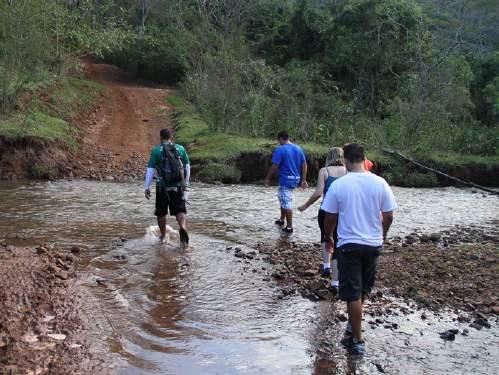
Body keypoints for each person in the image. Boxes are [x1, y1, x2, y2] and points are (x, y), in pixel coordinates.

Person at [321, 143, 396, 355]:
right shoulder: (380, 183)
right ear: (364, 159)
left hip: (349, 245)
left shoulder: (340, 185)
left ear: (346, 160)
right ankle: (352, 326)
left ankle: (357, 340)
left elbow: (330, 217)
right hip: (373, 244)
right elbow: (389, 216)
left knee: (353, 293)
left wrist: (327, 237)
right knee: (362, 288)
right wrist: (382, 234)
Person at [298, 147, 346, 288]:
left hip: (326, 210)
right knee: (338, 243)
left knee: (325, 237)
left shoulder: (324, 171)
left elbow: (318, 193)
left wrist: (305, 205)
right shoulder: (348, 172)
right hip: (343, 212)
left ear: (329, 157)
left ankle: (326, 266)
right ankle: (335, 283)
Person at [144, 128, 191, 246]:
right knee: (180, 210)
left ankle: (164, 236)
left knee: (161, 213)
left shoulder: (156, 151)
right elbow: (187, 167)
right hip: (177, 186)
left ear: (160, 137)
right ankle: (182, 227)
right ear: (171, 137)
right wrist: (185, 183)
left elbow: (150, 170)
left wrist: (147, 187)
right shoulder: (180, 148)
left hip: (162, 187)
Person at [265, 130, 308, 234]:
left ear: (280, 139)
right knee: (283, 198)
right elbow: (304, 164)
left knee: (287, 202)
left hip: (285, 179)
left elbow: (275, 165)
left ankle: (289, 227)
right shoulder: (298, 148)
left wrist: (267, 178)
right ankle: (281, 220)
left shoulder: (280, 149)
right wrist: (303, 179)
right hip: (296, 178)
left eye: (278, 140)